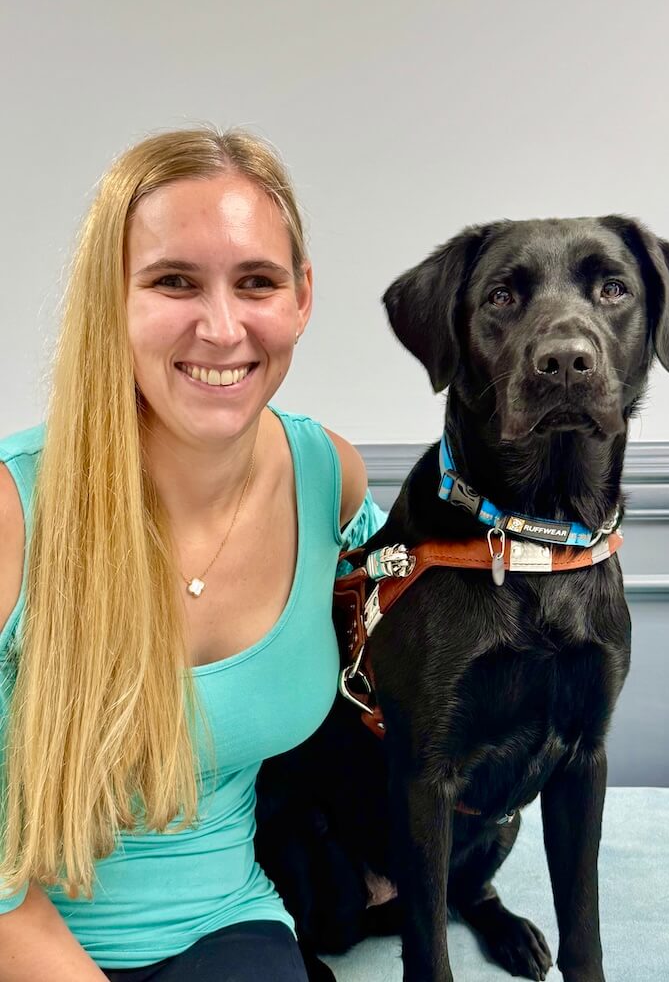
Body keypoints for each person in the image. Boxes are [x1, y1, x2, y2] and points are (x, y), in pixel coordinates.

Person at [0, 128, 385, 981]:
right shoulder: (11, 512)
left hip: (226, 924)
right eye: (175, 281)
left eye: (257, 282)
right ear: (110, 298)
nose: (222, 327)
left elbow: (427, 610)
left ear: (302, 297)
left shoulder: (326, 477)